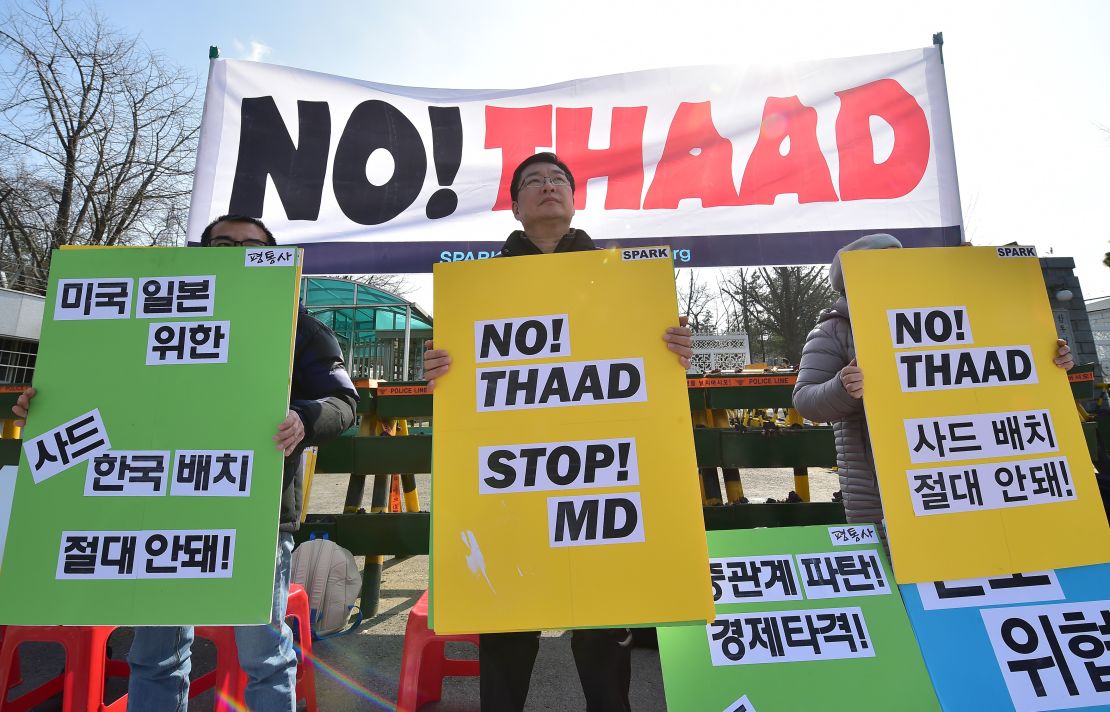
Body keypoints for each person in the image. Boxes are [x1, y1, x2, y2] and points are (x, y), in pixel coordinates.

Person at [12, 214, 359, 712]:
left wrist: (305, 417)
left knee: (264, 655)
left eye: (250, 246)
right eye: (222, 243)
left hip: (253, 512)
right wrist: (47, 411)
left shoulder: (298, 326)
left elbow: (344, 404)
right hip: (156, 506)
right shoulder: (143, 315)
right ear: (201, 249)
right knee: (155, 655)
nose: (235, 252)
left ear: (272, 256)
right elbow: (102, 393)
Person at [422, 153, 693, 712]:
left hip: (595, 479)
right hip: (513, 481)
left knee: (602, 629)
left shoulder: (622, 280)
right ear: (516, 206)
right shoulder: (480, 289)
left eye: (559, 180)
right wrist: (440, 372)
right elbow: (470, 378)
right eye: (533, 182)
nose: (548, 187)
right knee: (506, 622)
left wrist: (672, 356)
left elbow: (637, 372)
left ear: (574, 198)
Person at [792, 232, 1074, 540]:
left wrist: (1046, 359)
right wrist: (842, 387)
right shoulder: (834, 330)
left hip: (961, 479)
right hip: (879, 492)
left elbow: (989, 374)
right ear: (852, 278)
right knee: (900, 577)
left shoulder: (943, 316)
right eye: (881, 266)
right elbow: (805, 400)